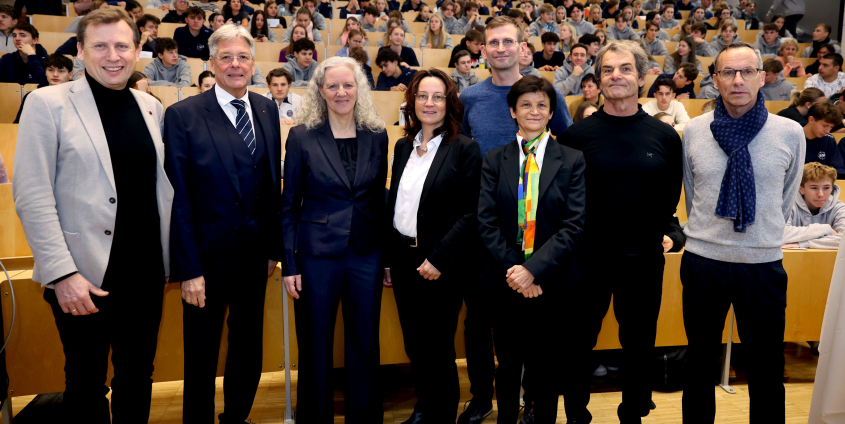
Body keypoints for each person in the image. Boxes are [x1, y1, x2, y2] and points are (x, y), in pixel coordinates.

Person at [13, 9, 172, 424]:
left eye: (122, 45)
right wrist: (62, 274)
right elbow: (32, 195)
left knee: (138, 376)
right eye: (100, 45)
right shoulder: (46, 103)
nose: (112, 55)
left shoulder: (151, 106)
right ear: (81, 50)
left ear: (138, 49)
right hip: (83, 278)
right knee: (85, 383)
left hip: (146, 273)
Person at [680, 41, 805, 423]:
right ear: (715, 79)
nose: (738, 80)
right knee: (699, 365)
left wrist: (758, 234)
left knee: (767, 368)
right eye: (728, 73)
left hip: (762, 264)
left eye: (747, 71)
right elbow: (691, 192)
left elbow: (785, 199)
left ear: (762, 77)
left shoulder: (790, 132)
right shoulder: (694, 131)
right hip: (703, 263)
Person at [163, 23, 282, 424]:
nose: (235, 64)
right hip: (204, 263)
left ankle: (237, 418)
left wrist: (271, 250)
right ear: (211, 63)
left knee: (248, 349)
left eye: (243, 57)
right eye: (226, 57)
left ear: (253, 63)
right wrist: (189, 269)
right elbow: (176, 197)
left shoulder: (266, 110)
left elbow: (269, 186)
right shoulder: (183, 115)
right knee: (201, 353)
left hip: (253, 260)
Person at [560, 39, 683, 424]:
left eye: (625, 68)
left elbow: (668, 200)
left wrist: (671, 234)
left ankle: (633, 414)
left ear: (642, 76)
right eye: (609, 69)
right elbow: (563, 201)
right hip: (585, 260)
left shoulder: (664, 137)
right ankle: (577, 414)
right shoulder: (576, 137)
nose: (616, 75)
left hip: (642, 260)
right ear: (598, 78)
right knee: (579, 344)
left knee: (639, 344)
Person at [459, 16, 573, 424]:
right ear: (483, 49)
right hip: (485, 227)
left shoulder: (544, 93)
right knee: (480, 323)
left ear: (523, 47)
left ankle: (532, 400)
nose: (501, 48)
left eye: (509, 41)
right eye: (494, 42)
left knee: (534, 325)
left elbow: (568, 143)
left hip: (537, 232)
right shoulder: (470, 97)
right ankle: (481, 397)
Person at [281, 55, 387, 423]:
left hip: (365, 253)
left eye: (348, 85)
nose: (341, 92)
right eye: (333, 86)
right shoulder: (301, 135)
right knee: (315, 343)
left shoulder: (377, 135)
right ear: (320, 91)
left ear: (359, 89)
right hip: (316, 255)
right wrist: (290, 263)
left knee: (364, 343)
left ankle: (365, 417)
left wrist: (385, 258)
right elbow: (289, 204)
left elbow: (378, 201)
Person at [477, 74, 586, 424]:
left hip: (552, 282)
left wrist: (534, 270)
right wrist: (518, 272)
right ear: (512, 111)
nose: (534, 111)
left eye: (542, 105)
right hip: (506, 280)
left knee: (546, 367)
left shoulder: (571, 160)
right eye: (526, 104)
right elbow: (486, 222)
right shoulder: (495, 159)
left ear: (552, 111)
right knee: (508, 364)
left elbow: (573, 224)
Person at [383, 68, 482, 424]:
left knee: (439, 346)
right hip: (403, 258)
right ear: (412, 102)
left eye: (437, 96)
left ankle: (442, 414)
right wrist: (390, 260)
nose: (429, 103)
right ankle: (425, 406)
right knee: (415, 344)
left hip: (442, 264)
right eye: (422, 96)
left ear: (449, 103)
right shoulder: (402, 145)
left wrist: (439, 258)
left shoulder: (465, 149)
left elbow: (472, 213)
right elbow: (396, 203)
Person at [783, 162, 845, 249]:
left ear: (832, 188)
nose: (821, 194)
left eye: (826, 188)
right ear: (801, 189)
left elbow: (843, 240)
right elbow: (780, 234)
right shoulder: (789, 205)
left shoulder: (839, 207)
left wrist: (804, 243)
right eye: (814, 188)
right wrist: (826, 230)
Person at [14, 53, 73, 124]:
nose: (55, 75)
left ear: (70, 75)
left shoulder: (77, 97)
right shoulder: (32, 96)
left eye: (61, 71)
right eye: (50, 70)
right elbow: (19, 123)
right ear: (45, 72)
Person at [803, 102, 845, 176]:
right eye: (825, 126)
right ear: (811, 119)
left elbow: (838, 169)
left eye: (831, 127)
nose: (827, 131)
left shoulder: (829, 140)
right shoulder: (794, 137)